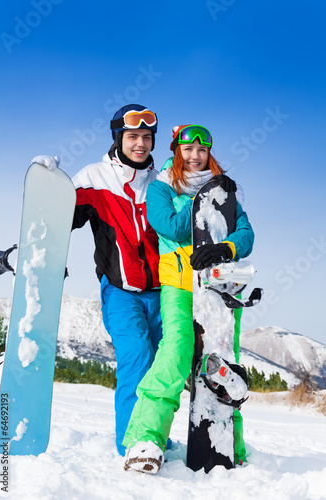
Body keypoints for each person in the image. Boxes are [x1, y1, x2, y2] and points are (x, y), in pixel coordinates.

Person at [123, 124, 254, 473]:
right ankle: (145, 439)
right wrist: (204, 202)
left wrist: (223, 247)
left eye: (202, 150)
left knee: (224, 359)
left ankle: (230, 442)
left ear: (209, 152)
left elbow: (246, 233)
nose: (195, 156)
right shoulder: (162, 187)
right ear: (176, 151)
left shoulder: (224, 192)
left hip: (220, 286)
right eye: (187, 149)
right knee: (177, 349)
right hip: (179, 282)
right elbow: (169, 226)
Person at [71, 104, 163, 457]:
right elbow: (63, 213)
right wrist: (49, 186)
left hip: (163, 293)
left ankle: (155, 436)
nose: (140, 143)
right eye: (132, 137)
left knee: (161, 367)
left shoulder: (163, 182)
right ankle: (133, 442)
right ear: (118, 138)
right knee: (136, 356)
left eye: (146, 137)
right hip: (121, 291)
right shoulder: (95, 176)